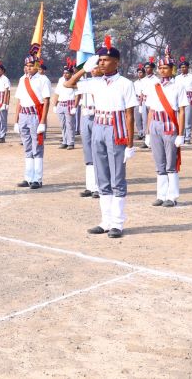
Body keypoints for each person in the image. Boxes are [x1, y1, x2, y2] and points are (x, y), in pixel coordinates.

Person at [64, 36, 137, 239]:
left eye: (105, 60)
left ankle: (118, 223)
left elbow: (130, 115)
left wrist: (130, 144)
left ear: (116, 62)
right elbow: (69, 84)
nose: (101, 63)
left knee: (117, 177)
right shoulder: (95, 82)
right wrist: (83, 69)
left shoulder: (125, 84)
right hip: (98, 127)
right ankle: (105, 221)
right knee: (102, 176)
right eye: (100, 60)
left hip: (116, 129)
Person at [143, 47, 188, 207]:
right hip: (155, 124)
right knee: (159, 162)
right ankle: (161, 195)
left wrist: (181, 134)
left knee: (170, 162)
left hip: (170, 125)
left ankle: (172, 196)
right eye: (160, 68)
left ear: (172, 69)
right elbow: (150, 110)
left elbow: (182, 111)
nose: (162, 71)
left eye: (165, 68)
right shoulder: (154, 86)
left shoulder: (178, 86)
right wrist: (147, 132)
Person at [13, 52, 51, 188]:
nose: (28, 68)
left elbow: (46, 101)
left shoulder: (43, 80)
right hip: (23, 115)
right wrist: (16, 121)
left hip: (36, 116)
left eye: (31, 65)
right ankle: (28, 177)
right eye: (26, 66)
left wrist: (42, 122)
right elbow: (19, 101)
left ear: (37, 65)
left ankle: (38, 179)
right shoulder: (22, 80)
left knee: (37, 147)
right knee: (27, 147)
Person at [75, 64, 103, 198]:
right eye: (92, 68)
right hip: (86, 114)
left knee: (98, 151)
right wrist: (83, 69)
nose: (93, 70)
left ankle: (99, 186)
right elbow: (69, 84)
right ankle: (90, 186)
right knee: (88, 152)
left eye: (96, 67)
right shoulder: (86, 82)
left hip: (98, 114)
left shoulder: (104, 82)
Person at [51, 58, 78, 150]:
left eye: (67, 73)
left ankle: (71, 142)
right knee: (63, 125)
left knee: (70, 124)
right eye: (64, 73)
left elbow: (78, 95)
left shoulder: (75, 80)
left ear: (71, 74)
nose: (65, 74)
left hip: (70, 104)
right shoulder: (60, 80)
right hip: (60, 104)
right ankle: (65, 141)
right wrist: (55, 105)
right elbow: (57, 93)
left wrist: (75, 106)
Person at [175, 57, 192, 144]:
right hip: (180, 98)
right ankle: (181, 136)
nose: (183, 68)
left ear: (188, 67)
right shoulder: (177, 78)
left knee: (188, 118)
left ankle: (188, 137)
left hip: (189, 97)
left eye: (185, 67)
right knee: (180, 118)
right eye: (182, 67)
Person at [133, 64, 147, 141]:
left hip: (144, 101)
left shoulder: (146, 81)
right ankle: (140, 133)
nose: (139, 74)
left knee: (144, 119)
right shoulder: (135, 83)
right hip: (137, 100)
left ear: (144, 73)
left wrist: (141, 101)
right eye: (138, 72)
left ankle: (145, 133)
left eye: (141, 72)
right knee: (138, 119)